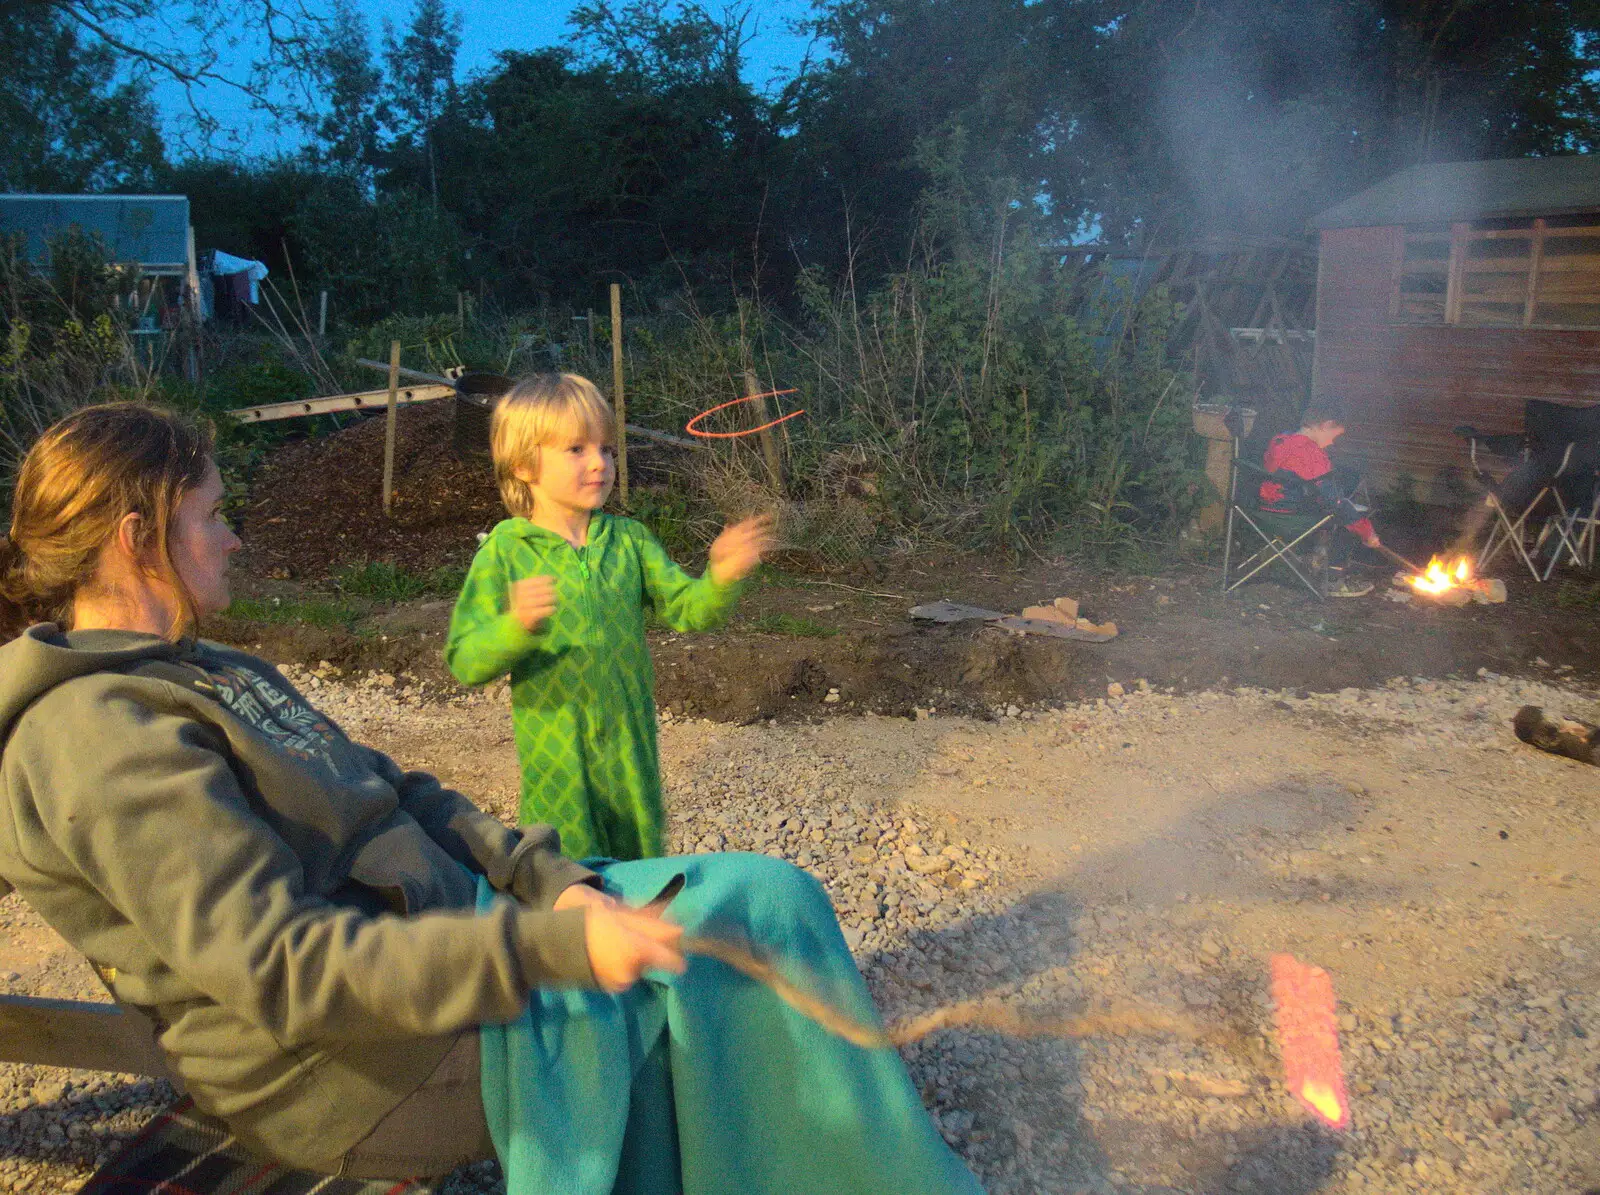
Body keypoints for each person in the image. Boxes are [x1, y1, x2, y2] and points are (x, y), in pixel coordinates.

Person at [0, 403, 982, 1193]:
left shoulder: (206, 665)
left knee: (772, 895)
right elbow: (287, 969)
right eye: (213, 515)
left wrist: (546, 881)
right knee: (709, 981)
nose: (236, 537)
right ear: (138, 539)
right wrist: (551, 949)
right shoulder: (96, 738)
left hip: (452, 937)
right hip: (347, 1065)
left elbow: (402, 790)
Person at [445, 373, 774, 861]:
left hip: (629, 754)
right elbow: (464, 660)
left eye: (608, 449)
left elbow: (688, 610)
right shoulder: (505, 553)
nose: (600, 463)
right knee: (569, 878)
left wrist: (720, 575)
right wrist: (514, 626)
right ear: (522, 467)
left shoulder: (630, 540)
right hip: (559, 765)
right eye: (576, 449)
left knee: (639, 870)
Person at [1258, 397, 1380, 598]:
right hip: (1291, 518)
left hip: (1265, 510)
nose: (1332, 442)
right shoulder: (1312, 453)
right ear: (1326, 425)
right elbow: (1334, 502)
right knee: (1346, 513)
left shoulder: (1280, 440)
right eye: (1334, 436)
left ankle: (1311, 559)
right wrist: (1367, 532)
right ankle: (1334, 580)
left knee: (1334, 502)